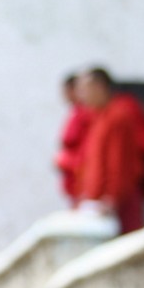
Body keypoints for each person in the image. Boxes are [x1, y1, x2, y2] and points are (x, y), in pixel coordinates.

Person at [75, 67, 144, 233]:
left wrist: (112, 199)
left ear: (99, 87)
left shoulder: (119, 115)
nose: (81, 96)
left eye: (84, 89)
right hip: (98, 203)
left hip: (117, 203)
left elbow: (120, 163)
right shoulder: (97, 118)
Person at [55, 73, 93, 205]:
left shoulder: (87, 114)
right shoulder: (77, 113)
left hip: (82, 180)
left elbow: (89, 151)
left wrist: (66, 161)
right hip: (74, 180)